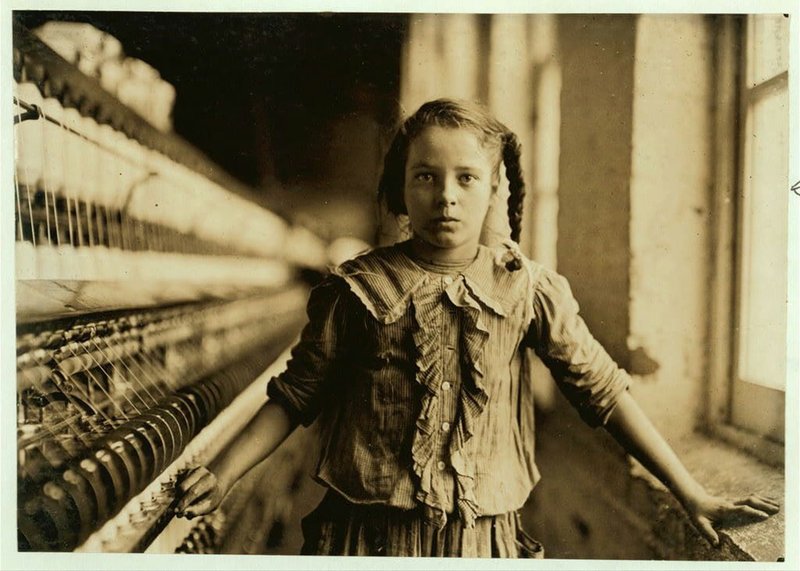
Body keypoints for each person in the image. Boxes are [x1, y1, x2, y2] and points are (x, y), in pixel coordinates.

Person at [174, 98, 779, 558]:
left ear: (494, 189)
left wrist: (690, 492)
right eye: (425, 177)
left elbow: (605, 391)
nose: (446, 197)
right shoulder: (354, 289)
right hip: (364, 536)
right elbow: (294, 395)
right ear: (398, 188)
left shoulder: (528, 289)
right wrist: (223, 476)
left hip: (480, 540)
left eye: (467, 178)